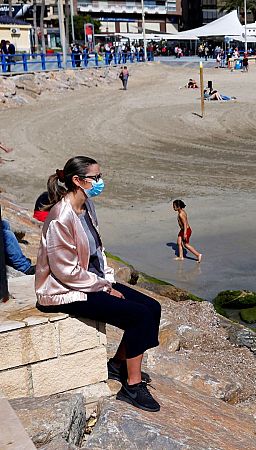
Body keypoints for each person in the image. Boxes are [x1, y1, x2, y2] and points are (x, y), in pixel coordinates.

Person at [35, 156, 162, 412]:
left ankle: (117, 365)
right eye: (95, 178)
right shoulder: (61, 217)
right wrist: (104, 287)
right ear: (77, 180)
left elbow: (97, 250)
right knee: (137, 316)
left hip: (91, 280)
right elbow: (65, 272)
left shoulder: (87, 206)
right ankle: (132, 386)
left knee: (153, 306)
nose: (100, 182)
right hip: (66, 289)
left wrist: (108, 280)